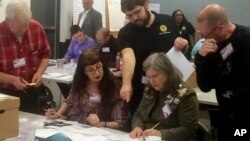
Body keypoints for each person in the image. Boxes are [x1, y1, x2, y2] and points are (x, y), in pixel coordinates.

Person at [118, 0, 188, 116]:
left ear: (146, 4)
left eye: (137, 12)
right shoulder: (126, 33)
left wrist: (183, 44)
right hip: (142, 90)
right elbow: (128, 56)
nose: (134, 18)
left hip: (170, 89)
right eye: (129, 15)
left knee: (168, 124)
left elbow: (179, 49)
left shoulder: (168, 21)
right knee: (140, 124)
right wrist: (126, 84)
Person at [195, 3, 250, 140]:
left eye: (205, 33)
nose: (203, 37)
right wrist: (200, 58)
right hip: (225, 113)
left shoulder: (246, 39)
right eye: (199, 32)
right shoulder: (211, 45)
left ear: (220, 28)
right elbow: (205, 86)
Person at [46, 49, 128, 131]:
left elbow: (120, 123)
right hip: (73, 128)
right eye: (90, 70)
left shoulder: (114, 88)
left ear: (103, 65)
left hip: (99, 132)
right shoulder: (80, 83)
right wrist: (57, 113)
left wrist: (102, 123)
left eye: (98, 67)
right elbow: (69, 101)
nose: (97, 73)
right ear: (84, 72)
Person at [130, 52, 199, 141]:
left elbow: (189, 130)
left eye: (155, 76)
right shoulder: (150, 89)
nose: (152, 81)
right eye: (149, 77)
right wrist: (137, 127)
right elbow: (138, 114)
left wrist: (160, 134)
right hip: (146, 137)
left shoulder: (185, 94)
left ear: (167, 72)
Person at [0, 0, 51, 112]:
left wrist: (39, 73)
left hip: (31, 92)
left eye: (26, 25)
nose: (23, 30)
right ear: (8, 21)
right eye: (19, 27)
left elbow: (45, 55)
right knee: (8, 127)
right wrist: (12, 80)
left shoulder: (36, 28)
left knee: (32, 125)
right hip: (6, 93)